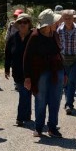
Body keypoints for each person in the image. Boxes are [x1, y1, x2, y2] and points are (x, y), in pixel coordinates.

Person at [23, 9, 64, 138]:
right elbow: (27, 58)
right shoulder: (35, 36)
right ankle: (39, 128)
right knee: (40, 100)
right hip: (40, 73)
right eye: (55, 22)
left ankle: (52, 128)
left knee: (55, 100)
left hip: (56, 71)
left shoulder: (55, 34)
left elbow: (59, 54)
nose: (57, 23)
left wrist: (65, 73)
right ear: (47, 24)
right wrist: (27, 78)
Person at [4, 13, 34, 126]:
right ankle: (25, 115)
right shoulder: (13, 38)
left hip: (31, 71)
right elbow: (8, 54)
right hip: (17, 71)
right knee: (24, 92)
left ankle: (21, 117)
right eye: (20, 22)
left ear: (29, 24)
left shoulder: (33, 36)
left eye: (25, 22)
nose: (22, 24)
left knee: (26, 92)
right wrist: (7, 69)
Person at [56, 9, 76, 114]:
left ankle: (69, 104)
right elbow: (58, 44)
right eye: (65, 18)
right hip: (64, 59)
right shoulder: (59, 30)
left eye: (69, 18)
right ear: (62, 19)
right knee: (67, 81)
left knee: (72, 80)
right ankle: (68, 101)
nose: (68, 20)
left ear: (73, 18)